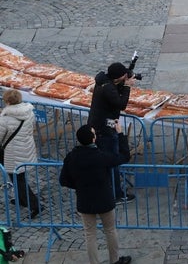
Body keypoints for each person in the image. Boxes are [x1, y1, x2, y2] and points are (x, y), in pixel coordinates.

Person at [59, 124, 132, 264]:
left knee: (90, 234)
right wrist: (121, 134)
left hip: (85, 200)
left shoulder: (71, 157)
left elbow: (63, 180)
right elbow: (124, 156)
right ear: (93, 140)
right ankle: (115, 260)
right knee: (110, 230)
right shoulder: (100, 156)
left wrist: (79, 186)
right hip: (103, 198)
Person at [87, 61, 135, 203]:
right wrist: (126, 87)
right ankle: (116, 194)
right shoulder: (107, 88)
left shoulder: (104, 82)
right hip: (105, 130)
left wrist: (123, 84)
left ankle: (107, 190)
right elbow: (121, 104)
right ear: (118, 78)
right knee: (112, 161)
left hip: (99, 127)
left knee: (105, 162)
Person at [0, 89, 41, 218]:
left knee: (18, 179)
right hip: (25, 148)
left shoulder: (5, 119)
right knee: (18, 177)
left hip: (12, 152)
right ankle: (21, 199)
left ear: (7, 102)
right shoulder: (29, 112)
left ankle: (35, 205)